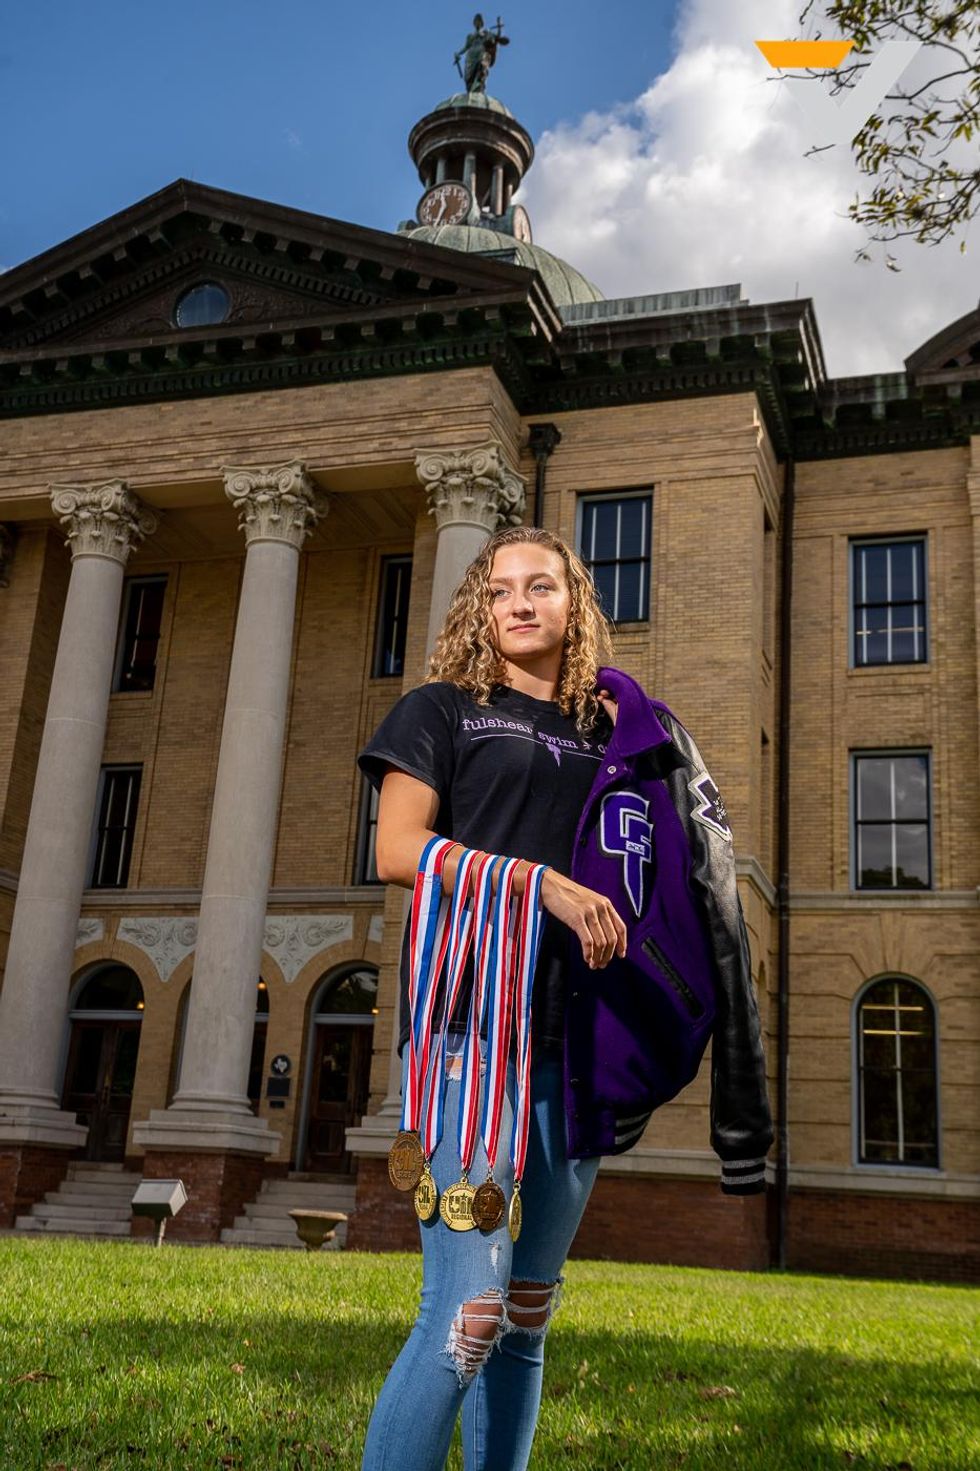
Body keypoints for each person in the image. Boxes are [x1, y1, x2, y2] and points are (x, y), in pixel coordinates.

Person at [357, 524, 627, 1471]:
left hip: (578, 1044)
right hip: (470, 1033)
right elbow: (396, 849)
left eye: (541, 585)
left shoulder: (610, 734)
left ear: (573, 604)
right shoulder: (440, 710)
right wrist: (535, 883)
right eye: (501, 587)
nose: (520, 601)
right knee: (469, 1310)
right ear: (480, 607)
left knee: (526, 1311)